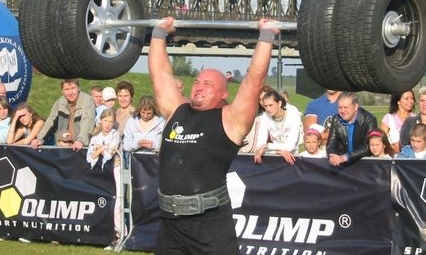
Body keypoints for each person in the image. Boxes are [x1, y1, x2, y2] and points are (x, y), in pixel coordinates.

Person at [148, 16, 277, 255]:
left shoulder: (231, 119)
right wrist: (159, 33)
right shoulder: (177, 109)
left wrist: (267, 36)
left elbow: (253, 81)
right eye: (197, 81)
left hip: (209, 226)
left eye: (207, 84)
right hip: (170, 224)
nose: (198, 86)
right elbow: (160, 75)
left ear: (222, 93)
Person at [86, 109, 123, 248]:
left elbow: (110, 153)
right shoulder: (95, 138)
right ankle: (108, 235)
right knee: (104, 203)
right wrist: (102, 149)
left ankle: (120, 234)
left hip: (116, 170)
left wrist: (101, 149)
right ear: (100, 121)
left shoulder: (115, 135)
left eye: (111, 121)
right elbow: (90, 157)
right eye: (105, 121)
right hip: (102, 173)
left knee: (118, 203)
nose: (107, 124)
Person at [31, 79, 95, 151]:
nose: (70, 92)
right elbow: (50, 122)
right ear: (62, 91)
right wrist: (40, 139)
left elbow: (87, 122)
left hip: (82, 147)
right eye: (67, 89)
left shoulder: (87, 101)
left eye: (73, 88)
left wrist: (81, 141)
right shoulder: (60, 102)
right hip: (64, 146)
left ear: (79, 88)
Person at [326, 92, 377, 167]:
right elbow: (331, 143)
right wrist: (333, 155)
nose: (343, 111)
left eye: (346, 107)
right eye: (340, 107)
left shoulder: (369, 120)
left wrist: (346, 157)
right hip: (341, 165)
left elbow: (368, 146)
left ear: (356, 107)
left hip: (364, 164)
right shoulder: (335, 119)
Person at [253, 89, 302, 165]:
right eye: (265, 106)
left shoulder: (293, 113)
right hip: (275, 159)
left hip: (293, 159)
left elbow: (290, 146)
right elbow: (260, 146)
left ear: (279, 103)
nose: (268, 109)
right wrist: (279, 152)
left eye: (271, 105)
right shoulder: (264, 116)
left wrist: (267, 146)